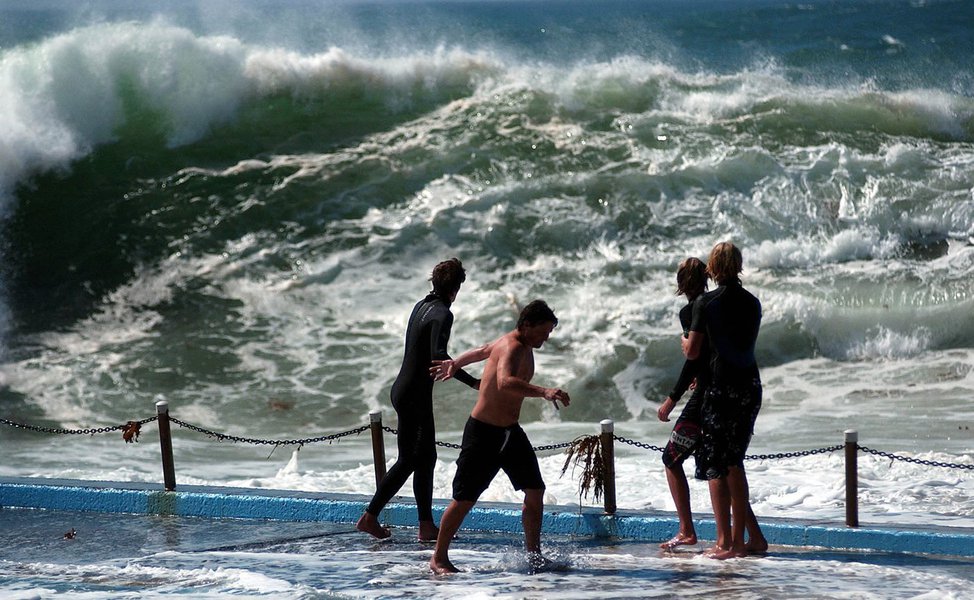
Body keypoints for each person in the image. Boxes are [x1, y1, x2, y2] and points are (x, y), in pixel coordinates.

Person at [426, 300, 571, 574]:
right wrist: (545, 391)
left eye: (549, 332)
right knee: (465, 499)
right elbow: (504, 382)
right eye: (543, 331)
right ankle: (439, 557)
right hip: (483, 433)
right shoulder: (513, 346)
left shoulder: (517, 343)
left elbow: (482, 351)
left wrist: (455, 363)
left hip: (510, 433)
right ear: (526, 325)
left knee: (534, 490)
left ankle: (533, 554)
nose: (546, 337)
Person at [356, 258, 480, 542]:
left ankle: (426, 526)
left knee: (425, 458)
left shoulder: (421, 306)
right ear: (456, 288)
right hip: (414, 395)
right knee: (410, 460)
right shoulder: (443, 314)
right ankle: (370, 516)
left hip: (403, 390)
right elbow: (439, 355)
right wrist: (472, 381)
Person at [683, 241, 768, 559]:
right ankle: (742, 541)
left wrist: (685, 344)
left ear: (713, 268)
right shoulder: (752, 302)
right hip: (750, 386)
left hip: (721, 387)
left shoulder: (706, 302)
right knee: (735, 461)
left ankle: (725, 543)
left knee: (716, 464)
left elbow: (694, 352)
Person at [656, 257, 709, 550]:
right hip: (724, 390)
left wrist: (670, 401)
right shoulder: (715, 304)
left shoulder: (691, 310)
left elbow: (692, 358)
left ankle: (687, 530)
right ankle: (750, 534)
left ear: (682, 283)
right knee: (725, 466)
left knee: (671, 458)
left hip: (703, 400)